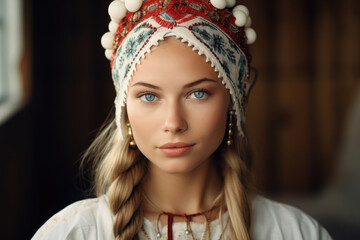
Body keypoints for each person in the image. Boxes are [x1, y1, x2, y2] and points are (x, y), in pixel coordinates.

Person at [32, 0, 333, 239]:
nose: (174, 122)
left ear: (233, 101)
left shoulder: (294, 232)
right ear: (125, 107)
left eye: (198, 94)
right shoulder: (73, 233)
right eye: (149, 96)